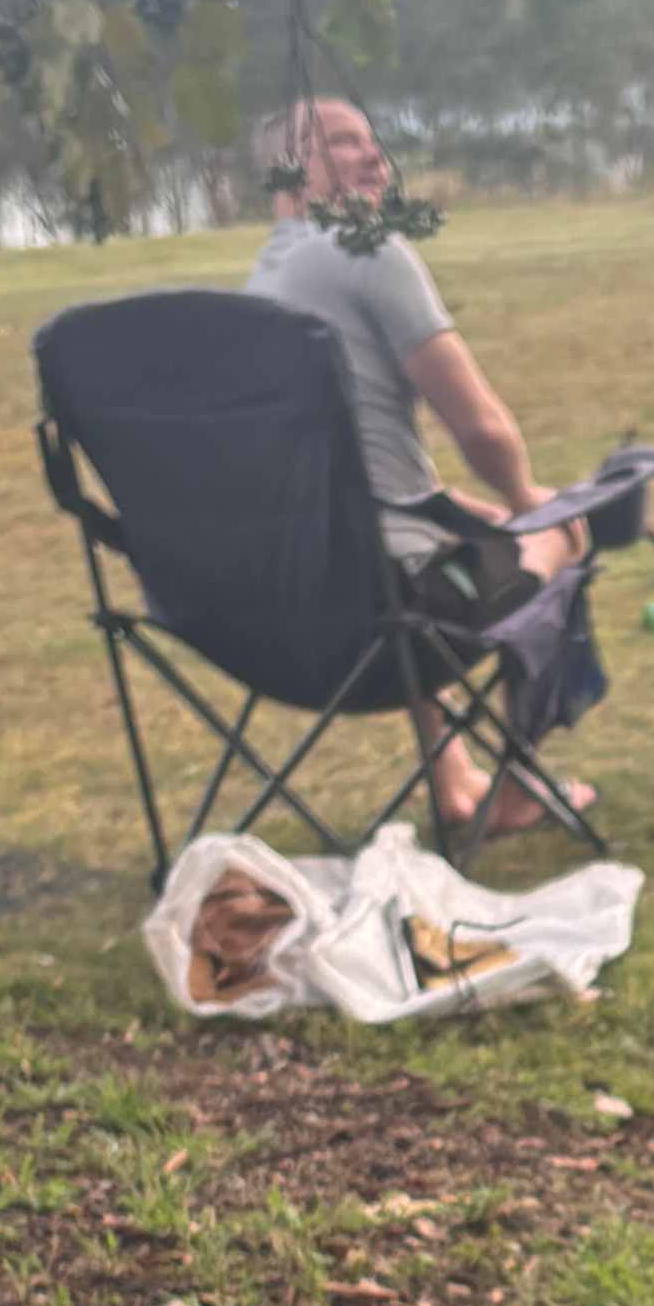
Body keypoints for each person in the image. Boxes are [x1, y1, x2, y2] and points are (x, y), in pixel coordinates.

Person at [245, 98, 600, 841]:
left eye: (373, 143)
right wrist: (525, 498)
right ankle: (518, 784)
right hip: (395, 605)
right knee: (559, 533)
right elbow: (480, 426)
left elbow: (366, 477)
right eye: (343, 145)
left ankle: (451, 778)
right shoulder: (366, 248)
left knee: (445, 538)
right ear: (287, 172)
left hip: (289, 602)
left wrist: (479, 512)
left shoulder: (267, 280)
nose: (375, 159)